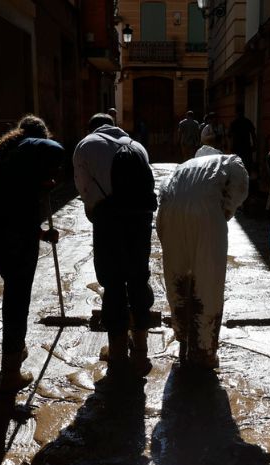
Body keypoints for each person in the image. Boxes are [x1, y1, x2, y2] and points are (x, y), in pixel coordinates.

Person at [0, 115, 65, 391]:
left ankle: (16, 351)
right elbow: (57, 151)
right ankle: (11, 371)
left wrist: (39, 233)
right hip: (11, 233)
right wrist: (46, 173)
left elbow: (11, 210)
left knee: (14, 290)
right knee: (17, 297)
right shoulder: (29, 148)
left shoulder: (7, 157)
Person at [73, 113, 158, 368]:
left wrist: (97, 213)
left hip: (109, 220)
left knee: (113, 282)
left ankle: (118, 350)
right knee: (138, 278)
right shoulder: (137, 146)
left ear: (91, 127)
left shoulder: (86, 145)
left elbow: (85, 190)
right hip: (141, 220)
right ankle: (141, 347)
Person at [156, 146, 249, 368]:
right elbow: (240, 183)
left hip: (170, 215)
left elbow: (164, 193)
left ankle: (182, 337)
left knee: (177, 278)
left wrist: (166, 236)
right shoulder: (229, 160)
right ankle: (204, 352)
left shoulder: (181, 169)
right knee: (208, 283)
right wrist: (226, 209)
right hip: (206, 214)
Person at [229, 108, 257, 178]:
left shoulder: (234, 123)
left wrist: (231, 146)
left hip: (240, 147)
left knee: (240, 164)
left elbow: (229, 136)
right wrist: (254, 145)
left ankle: (242, 178)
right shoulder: (247, 122)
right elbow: (253, 134)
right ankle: (246, 178)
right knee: (246, 165)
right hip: (244, 147)